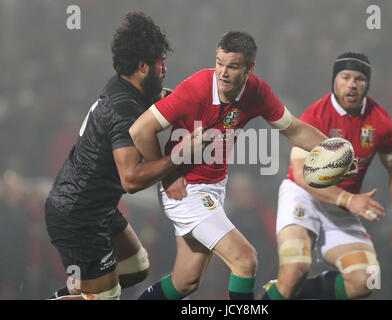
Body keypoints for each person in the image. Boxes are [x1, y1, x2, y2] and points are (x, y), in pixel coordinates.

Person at [129, 31, 336, 300]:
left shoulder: (257, 92)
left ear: (250, 68)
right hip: (185, 189)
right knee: (245, 260)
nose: (223, 72)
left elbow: (294, 129)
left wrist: (333, 149)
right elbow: (140, 130)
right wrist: (167, 176)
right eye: (219, 63)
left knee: (186, 282)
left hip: (214, 187)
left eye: (232, 66)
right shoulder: (196, 89)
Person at [45, 12, 202, 300]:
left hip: (94, 207)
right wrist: (179, 155)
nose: (165, 69)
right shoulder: (123, 110)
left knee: (137, 267)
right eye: (160, 64)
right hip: (79, 215)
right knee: (107, 296)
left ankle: (83, 293)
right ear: (143, 67)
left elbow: (163, 98)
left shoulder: (125, 87)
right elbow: (130, 180)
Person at [261, 52, 392, 300]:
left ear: (367, 83)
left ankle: (294, 293)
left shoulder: (380, 120)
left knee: (366, 280)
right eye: (345, 77)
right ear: (335, 80)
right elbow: (303, 176)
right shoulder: (317, 115)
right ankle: (280, 292)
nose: (352, 84)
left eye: (359, 79)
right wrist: (348, 199)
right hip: (302, 197)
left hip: (341, 207)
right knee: (295, 271)